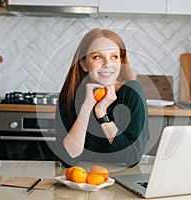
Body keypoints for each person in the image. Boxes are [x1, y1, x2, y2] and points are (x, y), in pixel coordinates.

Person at [56, 28, 150, 167]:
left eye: (114, 57)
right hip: (81, 179)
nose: (107, 64)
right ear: (83, 64)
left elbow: (133, 157)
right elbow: (68, 159)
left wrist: (102, 114)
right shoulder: (70, 96)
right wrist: (87, 107)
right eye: (97, 57)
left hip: (123, 178)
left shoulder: (132, 92)